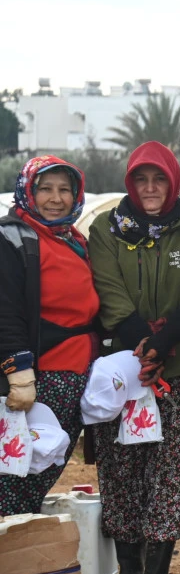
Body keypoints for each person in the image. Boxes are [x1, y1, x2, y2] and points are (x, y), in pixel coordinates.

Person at [89, 141, 180, 574]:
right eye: (141, 179)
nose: (150, 188)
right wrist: (142, 349)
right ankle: (128, 572)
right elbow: (109, 292)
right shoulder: (107, 230)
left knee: (175, 469)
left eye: (158, 178)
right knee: (121, 467)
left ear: (173, 181)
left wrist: (162, 345)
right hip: (125, 371)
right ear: (129, 182)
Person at [0, 156, 100, 516]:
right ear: (27, 191)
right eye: (45, 189)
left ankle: (16, 555)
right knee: (14, 473)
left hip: (74, 377)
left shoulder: (74, 240)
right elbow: (5, 308)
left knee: (44, 468)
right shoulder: (11, 238)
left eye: (64, 190)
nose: (55, 198)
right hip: (37, 379)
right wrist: (18, 372)